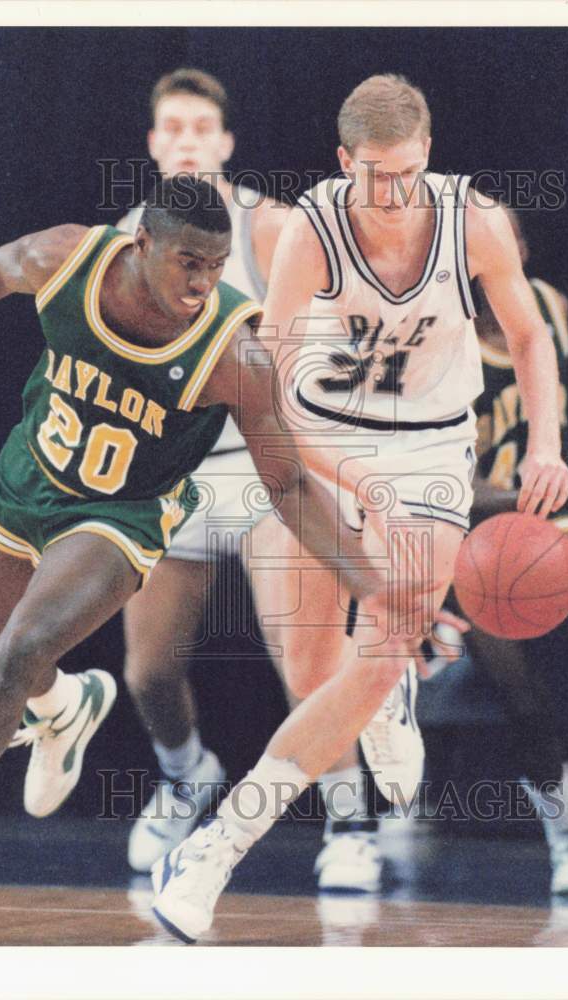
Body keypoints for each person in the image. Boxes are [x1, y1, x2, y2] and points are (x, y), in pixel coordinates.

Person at [0, 177, 407, 925]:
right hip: (30, 476)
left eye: (216, 265)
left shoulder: (236, 353)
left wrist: (374, 583)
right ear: (141, 244)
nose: (203, 282)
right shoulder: (67, 258)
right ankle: (66, 708)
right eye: (187, 262)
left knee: (18, 652)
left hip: (124, 512)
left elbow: (290, 485)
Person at [151, 74, 568, 943]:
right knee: (312, 664)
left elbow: (528, 335)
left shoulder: (476, 221)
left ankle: (216, 851)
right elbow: (264, 391)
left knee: (381, 648)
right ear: (346, 162)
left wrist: (544, 444)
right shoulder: (310, 228)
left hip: (428, 446)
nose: (391, 191)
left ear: (429, 157)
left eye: (407, 173)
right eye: (374, 173)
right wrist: (355, 484)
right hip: (316, 436)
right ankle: (381, 700)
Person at [115, 67, 392, 891]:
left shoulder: (269, 228)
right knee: (147, 672)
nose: (191, 139)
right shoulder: (123, 240)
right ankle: (184, 777)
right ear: (157, 143)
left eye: (205, 126)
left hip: (268, 474)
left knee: (307, 663)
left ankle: (350, 822)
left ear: (226, 143)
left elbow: (332, 350)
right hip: (171, 479)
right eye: (176, 127)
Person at [467, 207, 568, 895]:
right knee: (521, 697)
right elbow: (446, 485)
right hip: (481, 531)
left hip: (566, 521)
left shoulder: (552, 307)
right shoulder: (447, 345)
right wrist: (550, 497)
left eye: (506, 247)